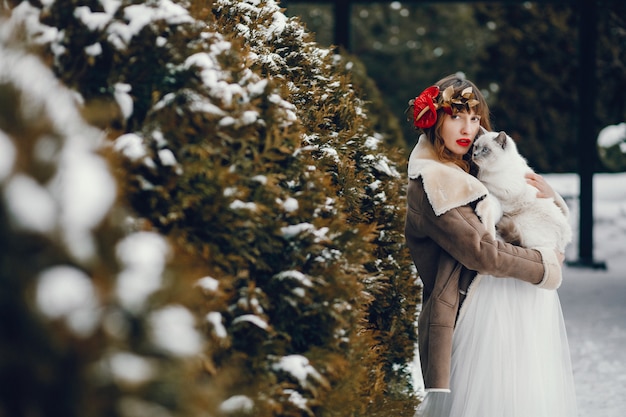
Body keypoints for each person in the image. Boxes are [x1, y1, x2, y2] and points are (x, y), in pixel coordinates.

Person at [404, 74, 578, 417]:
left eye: (474, 118)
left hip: (510, 301)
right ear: (436, 119)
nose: (467, 127)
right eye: (456, 116)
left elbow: (514, 205)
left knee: (522, 396)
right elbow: (481, 252)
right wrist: (545, 265)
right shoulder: (433, 181)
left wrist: (549, 197)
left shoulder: (466, 164)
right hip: (479, 309)